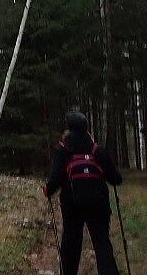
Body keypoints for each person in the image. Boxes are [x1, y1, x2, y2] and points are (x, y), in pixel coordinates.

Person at [43, 111, 123, 275]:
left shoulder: (64, 149)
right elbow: (116, 179)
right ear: (86, 128)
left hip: (72, 204)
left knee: (71, 243)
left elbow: (55, 178)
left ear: (69, 127)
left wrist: (48, 191)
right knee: (102, 244)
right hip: (98, 203)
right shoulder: (96, 149)